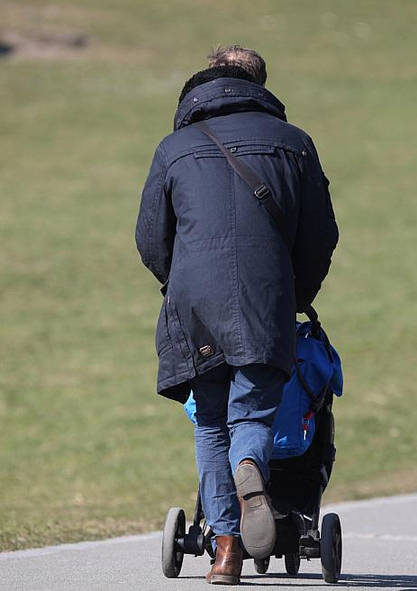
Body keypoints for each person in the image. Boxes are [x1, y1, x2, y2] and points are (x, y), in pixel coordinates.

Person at [136, 45, 338, 584]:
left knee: (209, 420)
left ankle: (225, 552)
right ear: (260, 84)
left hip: (194, 301)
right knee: (250, 414)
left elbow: (150, 239)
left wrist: (176, 285)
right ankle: (251, 466)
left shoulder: (173, 148)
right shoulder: (295, 144)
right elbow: (321, 236)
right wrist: (295, 295)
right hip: (266, 295)